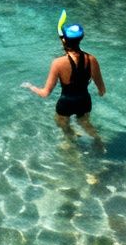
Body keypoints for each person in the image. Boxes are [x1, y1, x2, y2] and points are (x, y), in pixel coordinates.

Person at [25, 14, 106, 146]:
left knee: (63, 125)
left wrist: (30, 87)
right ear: (81, 38)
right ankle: (98, 140)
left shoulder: (57, 63)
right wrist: (100, 92)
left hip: (66, 103)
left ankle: (71, 146)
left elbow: (45, 93)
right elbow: (102, 90)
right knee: (85, 124)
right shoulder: (91, 59)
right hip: (84, 101)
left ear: (64, 41)